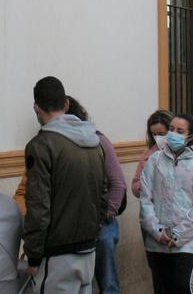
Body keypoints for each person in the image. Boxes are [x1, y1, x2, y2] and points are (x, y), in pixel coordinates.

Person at [23, 76, 108, 293]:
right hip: (88, 249)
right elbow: (103, 195)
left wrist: (33, 255)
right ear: (67, 105)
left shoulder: (41, 145)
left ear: (36, 108)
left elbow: (38, 206)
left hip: (56, 254)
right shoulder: (94, 141)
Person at [139, 113, 193, 293]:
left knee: (182, 286)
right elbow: (145, 199)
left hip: (187, 240)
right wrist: (157, 231)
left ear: (190, 136)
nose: (173, 134)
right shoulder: (155, 160)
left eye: (180, 131)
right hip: (157, 240)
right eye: (171, 129)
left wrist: (178, 235)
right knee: (162, 287)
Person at [65, 96, 127, 294]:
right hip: (74, 224)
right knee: (83, 285)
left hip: (102, 226)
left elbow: (118, 183)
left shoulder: (98, 140)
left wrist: (106, 215)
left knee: (108, 282)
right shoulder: (58, 144)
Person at [133, 110, 174, 198]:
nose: (157, 137)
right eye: (154, 134)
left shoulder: (184, 153)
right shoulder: (148, 154)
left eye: (162, 134)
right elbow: (135, 187)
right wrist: (145, 182)